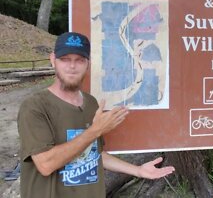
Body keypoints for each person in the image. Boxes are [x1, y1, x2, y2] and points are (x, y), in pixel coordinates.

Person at [17, 32, 175, 197]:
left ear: (88, 64)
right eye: (65, 59)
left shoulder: (91, 103)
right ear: (53, 60)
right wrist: (95, 130)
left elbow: (94, 153)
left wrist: (138, 171)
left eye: (79, 60)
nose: (72, 66)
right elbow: (45, 164)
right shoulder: (35, 106)